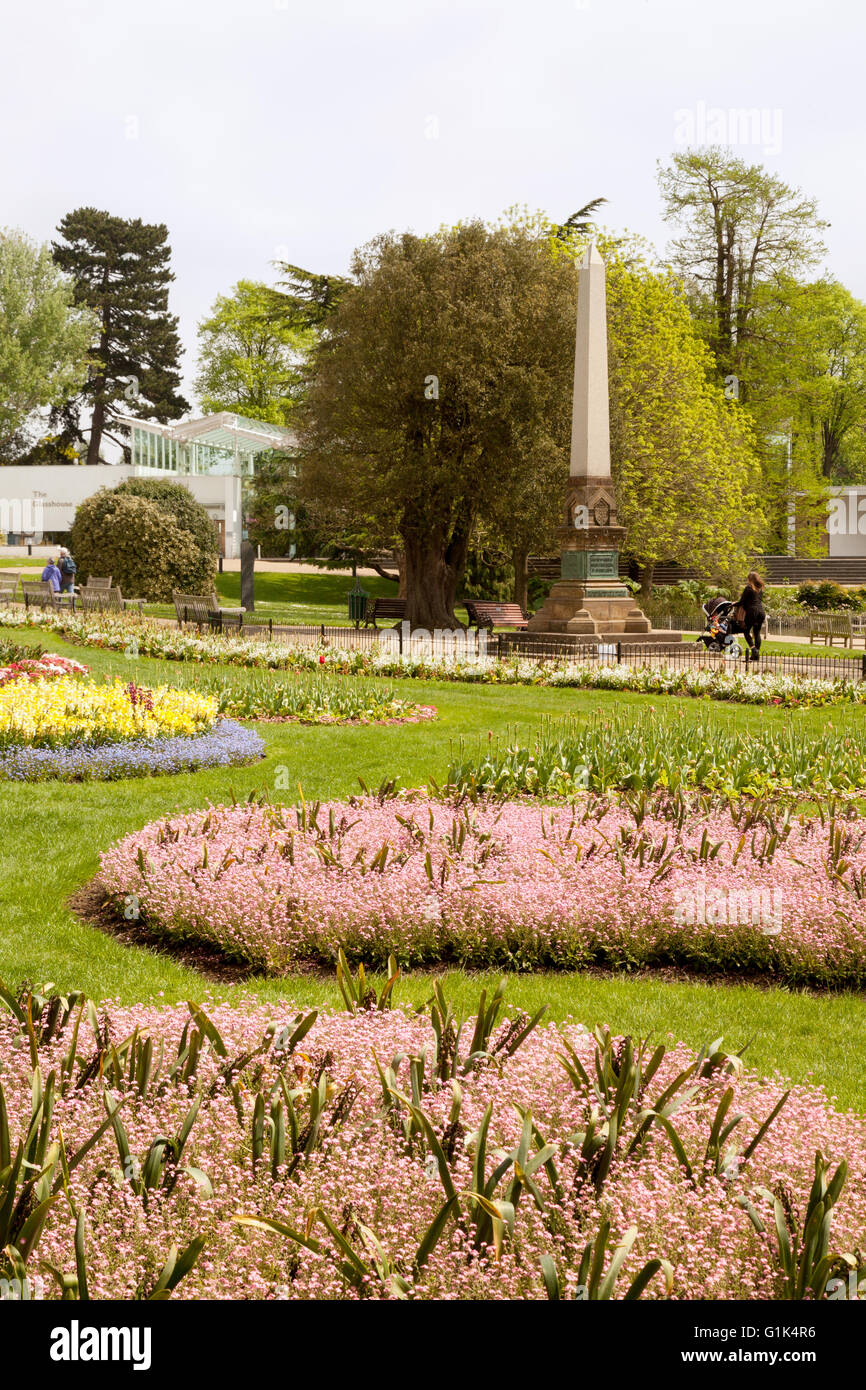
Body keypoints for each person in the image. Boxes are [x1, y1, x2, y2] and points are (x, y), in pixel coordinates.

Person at [733, 570, 766, 660]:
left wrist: (733, 604)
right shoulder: (760, 589)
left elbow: (742, 602)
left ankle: (754, 649)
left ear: (750, 579)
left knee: (746, 631)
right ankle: (756, 655)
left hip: (752, 612)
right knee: (757, 633)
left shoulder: (748, 588)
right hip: (761, 612)